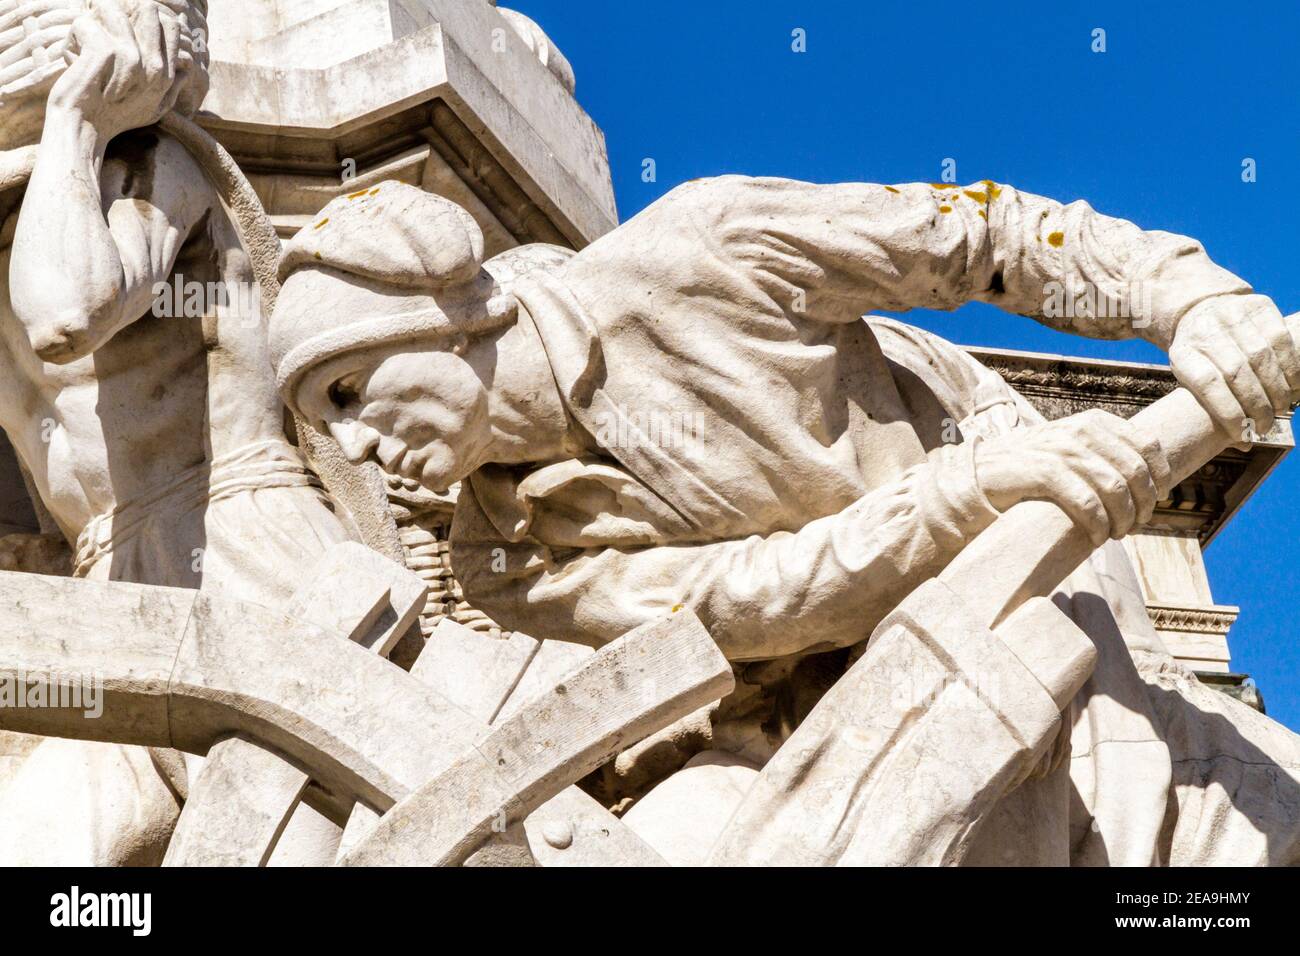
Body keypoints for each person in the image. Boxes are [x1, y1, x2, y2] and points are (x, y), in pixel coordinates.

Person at [268, 177, 1300, 865]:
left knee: (1150, 832)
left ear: (433, 305)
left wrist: (1186, 297)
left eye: (350, 391)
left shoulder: (705, 244)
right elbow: (747, 607)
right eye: (325, 425)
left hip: (1034, 556)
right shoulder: (499, 560)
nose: (354, 450)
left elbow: (984, 230)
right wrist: (963, 495)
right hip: (821, 693)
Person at [0, 0, 351, 864]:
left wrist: (77, 120)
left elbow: (64, 313)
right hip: (106, 591)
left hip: (236, 555)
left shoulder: (154, 166)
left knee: (279, 843)